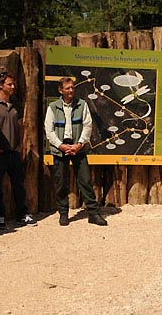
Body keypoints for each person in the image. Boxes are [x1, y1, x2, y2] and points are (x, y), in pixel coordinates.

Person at [44, 77, 107, 226]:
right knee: (61, 183)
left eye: (72, 87)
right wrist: (61, 145)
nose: (71, 90)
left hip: (78, 148)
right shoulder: (52, 107)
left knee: (85, 180)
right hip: (61, 149)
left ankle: (93, 213)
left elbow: (87, 125)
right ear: (61, 90)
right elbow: (49, 130)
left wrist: (79, 144)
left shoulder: (82, 104)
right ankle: (63, 213)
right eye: (68, 88)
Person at [0, 72, 37, 229]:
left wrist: (20, 144)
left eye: (13, 84)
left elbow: (21, 125)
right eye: (9, 84)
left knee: (19, 185)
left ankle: (21, 214)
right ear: (1, 85)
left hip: (14, 152)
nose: (13, 87)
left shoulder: (15, 104)